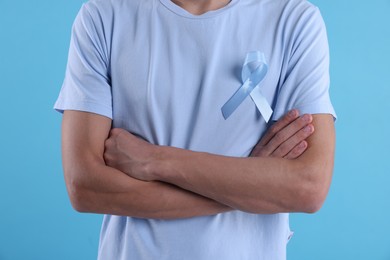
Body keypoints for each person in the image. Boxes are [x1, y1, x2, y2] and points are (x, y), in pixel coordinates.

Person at [54, 0, 336, 259]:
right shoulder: (104, 16)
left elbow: (308, 187)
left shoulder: (294, 20)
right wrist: (252, 185)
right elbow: (85, 186)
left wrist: (155, 160)